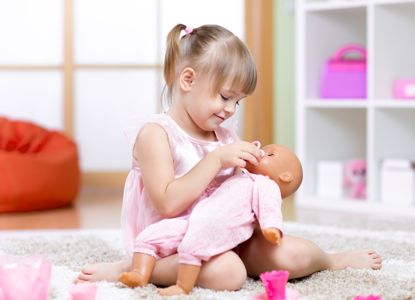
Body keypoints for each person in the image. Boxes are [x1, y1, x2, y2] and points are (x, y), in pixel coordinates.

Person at [76, 23, 382, 292]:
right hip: (169, 244)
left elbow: (242, 189)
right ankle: (133, 266)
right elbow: (167, 203)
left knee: (291, 254)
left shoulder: (222, 135)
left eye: (238, 101)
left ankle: (331, 260)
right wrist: (216, 161)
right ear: (187, 80)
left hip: (224, 235)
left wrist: (267, 176)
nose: (231, 110)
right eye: (225, 97)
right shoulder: (156, 134)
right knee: (230, 273)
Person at [119, 142, 302, 296]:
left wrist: (271, 228)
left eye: (269, 154)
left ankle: (183, 286)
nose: (261, 152)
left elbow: (270, 208)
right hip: (193, 218)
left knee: (193, 248)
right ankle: (138, 273)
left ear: (285, 176)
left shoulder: (266, 184)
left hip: (216, 228)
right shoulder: (241, 176)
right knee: (151, 235)